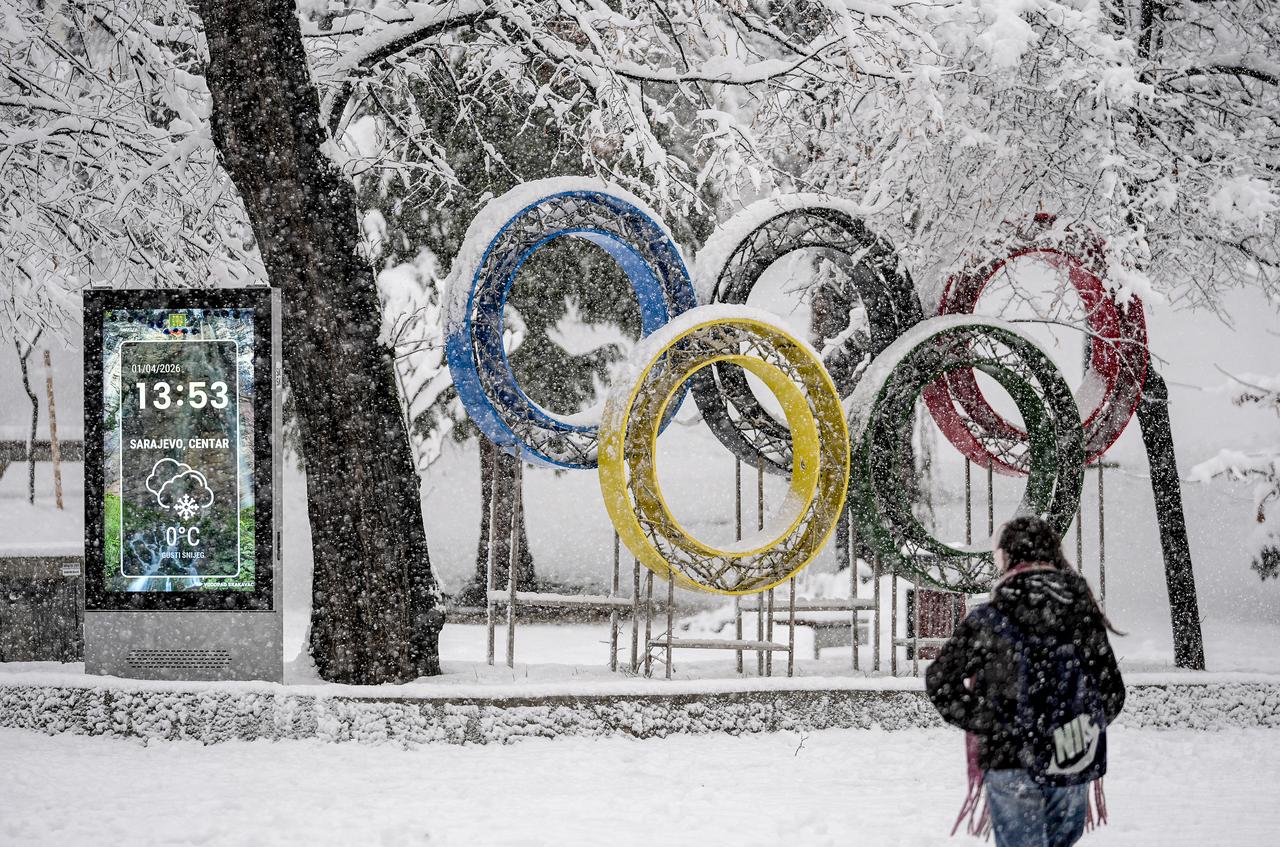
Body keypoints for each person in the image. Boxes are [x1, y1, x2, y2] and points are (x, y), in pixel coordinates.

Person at [925, 515, 1125, 847]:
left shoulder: (990, 619)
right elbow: (1111, 691)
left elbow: (940, 680)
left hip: (1009, 758)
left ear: (1005, 558)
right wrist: (1080, 723)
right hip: (1073, 756)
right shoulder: (1081, 612)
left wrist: (989, 721)